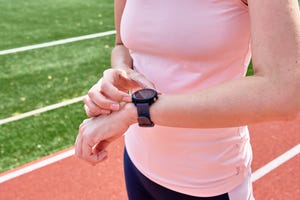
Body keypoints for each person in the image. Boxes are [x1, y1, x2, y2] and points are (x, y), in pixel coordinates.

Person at [75, 0, 300, 199]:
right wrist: (121, 72)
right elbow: (121, 45)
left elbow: (283, 93)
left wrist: (135, 112)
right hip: (137, 163)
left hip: (207, 180)